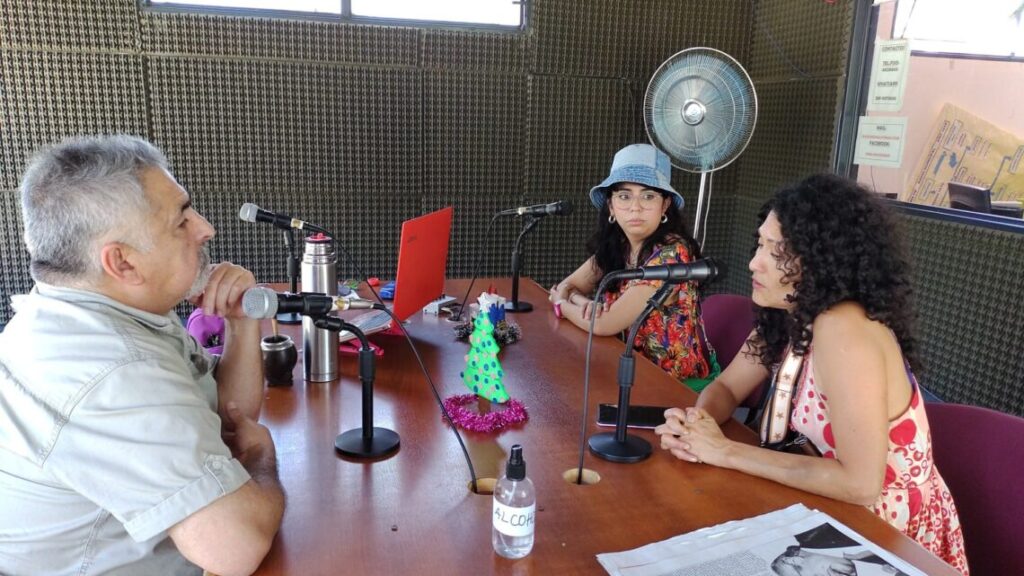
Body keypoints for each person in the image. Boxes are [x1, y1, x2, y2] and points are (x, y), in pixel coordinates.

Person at [654, 173, 969, 574]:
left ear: (823, 259)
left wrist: (724, 451)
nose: (754, 262)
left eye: (777, 251)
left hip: (882, 532)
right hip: (823, 506)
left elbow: (860, 484)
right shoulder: (788, 312)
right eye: (761, 244)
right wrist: (697, 426)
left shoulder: (844, 329)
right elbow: (728, 387)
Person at [0, 135, 285, 575]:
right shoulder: (113, 368)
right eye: (181, 220)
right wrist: (263, 460)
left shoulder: (104, 311)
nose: (205, 228)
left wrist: (241, 321)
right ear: (123, 263)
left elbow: (231, 419)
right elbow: (235, 547)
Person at [548, 143, 712, 389]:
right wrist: (588, 305)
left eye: (648, 196)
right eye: (624, 196)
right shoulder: (619, 245)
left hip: (674, 385)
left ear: (664, 205)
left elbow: (603, 324)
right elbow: (567, 286)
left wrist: (562, 305)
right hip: (626, 369)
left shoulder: (672, 254)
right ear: (611, 206)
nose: (635, 207)